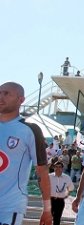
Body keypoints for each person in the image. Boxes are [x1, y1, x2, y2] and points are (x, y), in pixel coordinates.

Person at [0, 82, 53, 225]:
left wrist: (47, 209)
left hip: (9, 207)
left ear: (21, 100)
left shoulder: (30, 130)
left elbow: (42, 172)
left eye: (6, 94)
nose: (1, 97)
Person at [49, 161, 74, 225]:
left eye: (59, 167)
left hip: (60, 201)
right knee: (47, 218)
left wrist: (67, 194)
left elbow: (71, 188)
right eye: (56, 167)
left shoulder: (67, 177)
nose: (58, 168)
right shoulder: (49, 176)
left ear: (62, 168)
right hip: (50, 200)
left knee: (57, 219)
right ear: (54, 168)